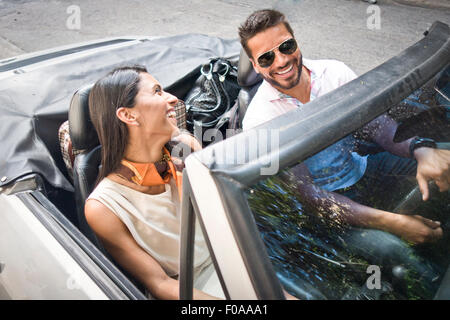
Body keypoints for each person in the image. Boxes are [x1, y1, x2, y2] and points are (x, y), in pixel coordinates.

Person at [238, 9, 450, 246]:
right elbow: (308, 194)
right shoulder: (259, 122)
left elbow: (378, 127)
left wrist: (421, 150)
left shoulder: (335, 73)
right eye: (266, 58)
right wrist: (394, 223)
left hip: (362, 167)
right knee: (394, 252)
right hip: (330, 206)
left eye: (286, 46)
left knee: (445, 157)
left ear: (296, 41)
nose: (282, 60)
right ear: (255, 66)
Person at [84, 65, 222, 300]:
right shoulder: (103, 207)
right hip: (194, 290)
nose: (173, 99)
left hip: (235, 258)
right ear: (128, 115)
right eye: (157, 91)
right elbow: (160, 284)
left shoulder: (185, 148)